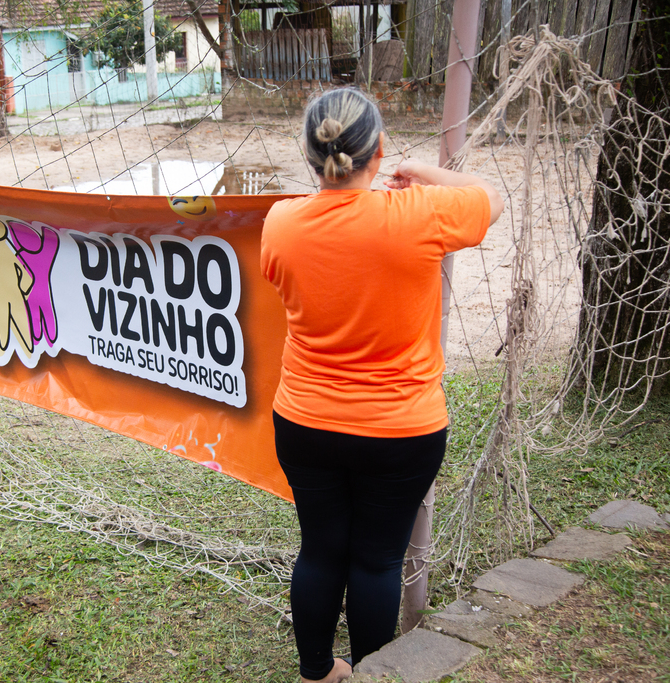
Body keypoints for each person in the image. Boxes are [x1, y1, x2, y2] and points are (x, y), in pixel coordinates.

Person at [260, 88, 503, 683]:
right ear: (379, 150)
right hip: (402, 431)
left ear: (310, 155)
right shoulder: (418, 215)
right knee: (376, 562)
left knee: (319, 551)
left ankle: (317, 672)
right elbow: (490, 200)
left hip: (306, 423)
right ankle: (372, 674)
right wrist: (419, 170)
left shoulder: (281, 222)